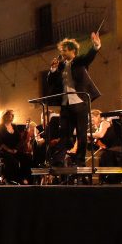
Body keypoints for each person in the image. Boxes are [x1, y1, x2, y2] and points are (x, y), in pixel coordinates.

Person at [46, 31, 102, 166]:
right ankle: (58, 160)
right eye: (62, 51)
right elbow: (50, 81)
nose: (62, 53)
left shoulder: (79, 62)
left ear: (73, 51)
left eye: (65, 51)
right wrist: (53, 70)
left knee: (81, 133)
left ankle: (80, 161)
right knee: (64, 133)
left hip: (80, 103)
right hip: (66, 104)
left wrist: (95, 46)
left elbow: (88, 57)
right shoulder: (60, 66)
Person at [0, 110, 32, 184]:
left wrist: (15, 149)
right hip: (4, 150)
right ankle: (14, 179)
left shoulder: (14, 126)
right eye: (10, 114)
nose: (12, 116)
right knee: (13, 161)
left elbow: (19, 139)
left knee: (26, 158)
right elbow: (0, 143)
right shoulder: (0, 127)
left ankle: (25, 177)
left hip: (14, 150)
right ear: (5, 116)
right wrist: (9, 150)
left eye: (13, 115)